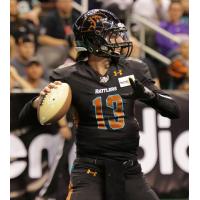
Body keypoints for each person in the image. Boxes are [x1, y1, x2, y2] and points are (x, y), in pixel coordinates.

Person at [19, 9, 180, 200]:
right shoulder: (68, 76)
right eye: (112, 36)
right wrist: (38, 103)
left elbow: (173, 110)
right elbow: (24, 119)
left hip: (129, 169)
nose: (120, 40)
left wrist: (148, 95)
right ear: (93, 41)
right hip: (89, 170)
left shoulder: (133, 68)